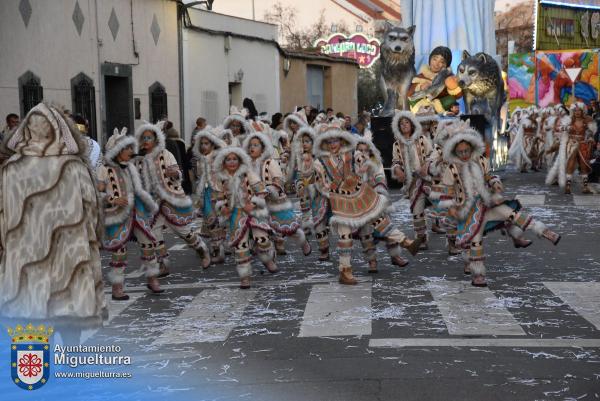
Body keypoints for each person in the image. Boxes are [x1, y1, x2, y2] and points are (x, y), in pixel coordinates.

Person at [0, 103, 105, 320]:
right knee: (70, 319)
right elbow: (92, 212)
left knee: (29, 324)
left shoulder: (11, 167)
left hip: (25, 256)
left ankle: (33, 352)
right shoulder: (74, 166)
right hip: (70, 253)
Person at [439, 128, 561, 287]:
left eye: (466, 150)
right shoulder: (451, 168)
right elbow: (446, 192)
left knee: (512, 214)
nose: (464, 154)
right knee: (475, 241)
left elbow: (491, 176)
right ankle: (478, 274)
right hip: (467, 213)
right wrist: (451, 207)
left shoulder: (481, 161)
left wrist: (496, 184)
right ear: (455, 151)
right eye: (460, 152)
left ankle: (544, 231)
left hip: (486, 204)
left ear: (472, 148)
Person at [313, 123, 421, 284]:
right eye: (329, 142)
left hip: (359, 194)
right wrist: (334, 189)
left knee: (378, 220)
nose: (333, 144)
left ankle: (406, 242)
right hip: (339, 200)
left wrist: (363, 171)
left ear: (342, 140)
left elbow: (367, 164)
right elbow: (320, 184)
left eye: (336, 140)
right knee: (345, 235)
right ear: (324, 143)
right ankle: (345, 270)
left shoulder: (351, 154)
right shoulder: (320, 163)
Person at [135, 121, 211, 277]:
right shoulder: (140, 160)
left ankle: (201, 249)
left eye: (148, 137)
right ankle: (164, 263)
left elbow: (178, 172)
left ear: (156, 140)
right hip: (154, 203)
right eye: (143, 138)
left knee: (183, 231)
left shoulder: (166, 154)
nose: (145, 141)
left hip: (171, 199)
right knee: (154, 233)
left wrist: (174, 174)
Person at [98, 128, 163, 300]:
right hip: (117, 214)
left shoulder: (131, 167)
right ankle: (117, 286)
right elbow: (96, 192)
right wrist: (112, 199)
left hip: (137, 212)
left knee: (148, 243)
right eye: (127, 148)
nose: (130, 152)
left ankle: (152, 278)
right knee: (120, 250)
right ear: (117, 151)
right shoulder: (104, 169)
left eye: (130, 148)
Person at [213, 147, 277, 288]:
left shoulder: (248, 173)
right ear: (223, 162)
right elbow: (217, 197)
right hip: (235, 215)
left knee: (262, 239)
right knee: (240, 245)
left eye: (234, 159)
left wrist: (253, 204)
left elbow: (262, 191)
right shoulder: (220, 178)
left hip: (253, 212)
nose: (231, 162)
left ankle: (267, 260)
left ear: (240, 160)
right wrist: (222, 207)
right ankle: (245, 276)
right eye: (228, 159)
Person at [242, 131, 312, 257]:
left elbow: (278, 181)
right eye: (250, 145)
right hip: (259, 204)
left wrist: (269, 190)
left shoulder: (270, 163)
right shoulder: (248, 166)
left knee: (290, 228)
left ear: (263, 148)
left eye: (256, 145)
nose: (252, 148)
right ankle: (268, 252)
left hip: (276, 202)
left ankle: (303, 242)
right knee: (261, 228)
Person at [391, 111, 435, 249]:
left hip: (427, 179)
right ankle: (421, 239)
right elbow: (395, 161)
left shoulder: (421, 139)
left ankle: (453, 239)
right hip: (412, 182)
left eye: (407, 122)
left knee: (440, 208)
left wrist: (426, 165)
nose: (404, 125)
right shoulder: (397, 145)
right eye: (401, 124)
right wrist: (397, 169)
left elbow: (431, 155)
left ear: (412, 124)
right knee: (417, 211)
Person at [288, 126, 331, 260]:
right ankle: (324, 249)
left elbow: (327, 176)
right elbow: (301, 175)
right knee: (318, 222)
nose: (304, 144)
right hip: (311, 195)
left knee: (328, 220)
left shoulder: (321, 158)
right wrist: (300, 184)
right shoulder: (302, 158)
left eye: (307, 141)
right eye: (303, 141)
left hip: (324, 193)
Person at [193, 128, 228, 263]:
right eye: (201, 144)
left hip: (218, 191)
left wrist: (225, 191)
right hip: (206, 193)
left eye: (206, 143)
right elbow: (200, 176)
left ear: (213, 144)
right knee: (211, 220)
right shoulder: (200, 159)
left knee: (221, 220)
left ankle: (221, 247)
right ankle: (217, 249)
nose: (203, 146)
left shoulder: (219, 157)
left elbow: (225, 175)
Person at [408, 46, 462, 114]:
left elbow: (458, 96)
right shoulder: (421, 76)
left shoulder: (448, 77)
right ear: (430, 59)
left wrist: (452, 87)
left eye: (442, 62)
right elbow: (409, 93)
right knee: (412, 100)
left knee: (451, 100)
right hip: (422, 107)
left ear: (446, 65)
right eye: (435, 59)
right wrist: (420, 87)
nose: (436, 64)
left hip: (439, 108)